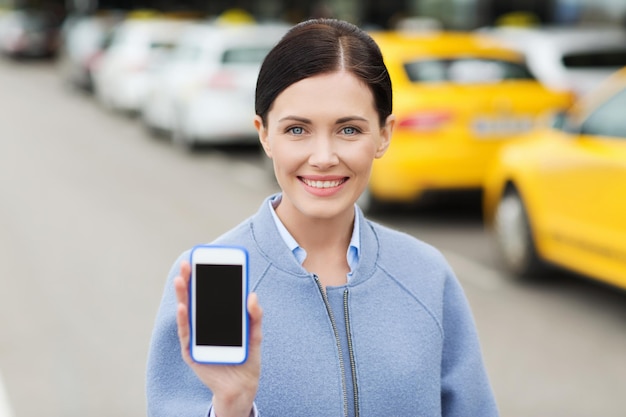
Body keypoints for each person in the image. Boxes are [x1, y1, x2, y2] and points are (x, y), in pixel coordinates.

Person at [146, 18, 499, 417]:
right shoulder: (208, 281)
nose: (324, 157)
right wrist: (231, 406)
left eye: (349, 130)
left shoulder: (426, 275)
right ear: (263, 134)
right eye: (297, 130)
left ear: (384, 134)